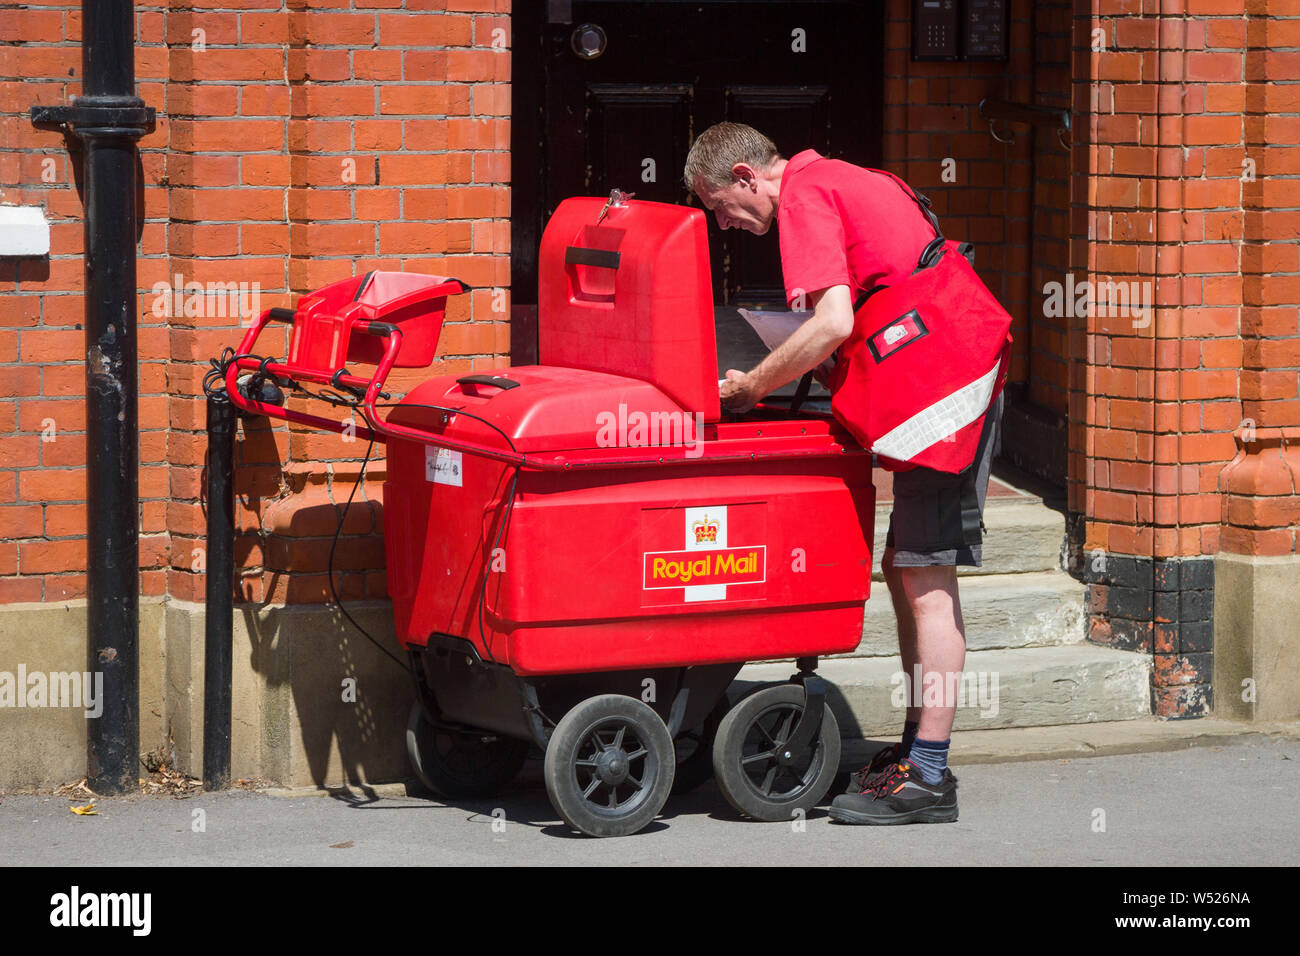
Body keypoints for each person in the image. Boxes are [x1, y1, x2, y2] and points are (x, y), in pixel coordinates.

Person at [683, 122, 1003, 825]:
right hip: (949, 369)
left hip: (948, 384)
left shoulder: (801, 196)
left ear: (745, 176)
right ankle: (918, 750)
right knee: (908, 565)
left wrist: (750, 388)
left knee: (926, 572)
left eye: (721, 207)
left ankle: (928, 777)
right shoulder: (839, 177)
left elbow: (832, 322)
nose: (727, 226)